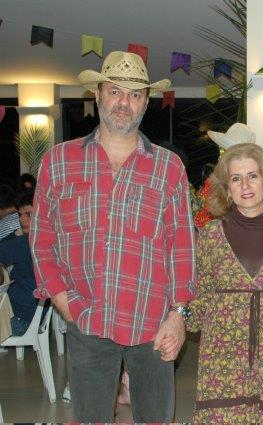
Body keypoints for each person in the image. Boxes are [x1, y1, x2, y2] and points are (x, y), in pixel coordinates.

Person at [29, 51, 195, 422]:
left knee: (156, 419)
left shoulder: (169, 167)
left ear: (146, 103)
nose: (124, 102)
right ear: (98, 95)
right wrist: (64, 302)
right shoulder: (59, 161)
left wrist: (178, 316)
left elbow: (181, 248)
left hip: (153, 325)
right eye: (115, 91)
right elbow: (41, 240)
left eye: (135, 94)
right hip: (87, 320)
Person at [187, 129, 263, 424]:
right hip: (222, 359)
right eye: (236, 179)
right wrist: (176, 319)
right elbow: (200, 293)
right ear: (227, 188)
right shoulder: (210, 235)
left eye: (253, 176)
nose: (245, 185)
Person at [0, 191, 38, 336]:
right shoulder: (45, 240)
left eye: (28, 214)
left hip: (19, 317)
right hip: (33, 314)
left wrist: (17, 235)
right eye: (20, 214)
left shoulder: (26, 243)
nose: (22, 219)